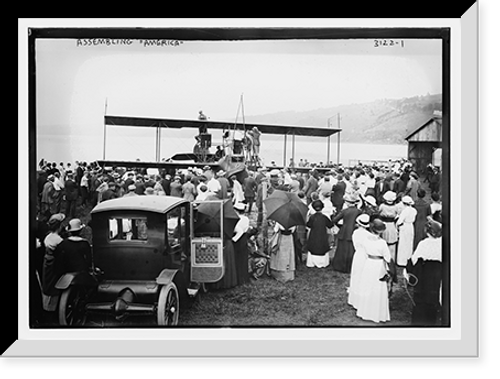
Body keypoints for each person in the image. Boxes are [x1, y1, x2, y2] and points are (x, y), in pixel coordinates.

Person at [355, 219, 392, 323]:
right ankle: (377, 312)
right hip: (379, 265)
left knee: (367, 286)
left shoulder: (365, 240)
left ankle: (365, 311)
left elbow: (364, 253)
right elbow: (388, 257)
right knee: (377, 288)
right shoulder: (382, 243)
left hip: (369, 264)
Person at [410, 220, 442, 326]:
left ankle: (420, 318)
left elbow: (414, 259)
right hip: (438, 270)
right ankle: (431, 317)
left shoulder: (424, 244)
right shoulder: (443, 242)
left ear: (427, 232)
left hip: (426, 270)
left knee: (422, 294)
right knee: (434, 292)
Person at [331, 194, 362, 273]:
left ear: (348, 203)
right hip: (354, 231)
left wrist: (334, 216)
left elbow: (334, 220)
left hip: (344, 231)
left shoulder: (345, 211)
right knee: (352, 249)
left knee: (342, 249)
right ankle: (351, 266)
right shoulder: (359, 211)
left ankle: (340, 266)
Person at [41, 213, 66, 312]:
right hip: (55, 265)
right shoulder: (59, 240)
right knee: (54, 283)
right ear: (59, 226)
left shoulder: (47, 238)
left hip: (47, 263)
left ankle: (46, 305)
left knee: (47, 283)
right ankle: (53, 308)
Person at [347, 214, 372, 309]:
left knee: (356, 275)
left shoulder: (355, 233)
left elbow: (355, 245)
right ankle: (362, 297)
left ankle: (355, 298)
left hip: (358, 254)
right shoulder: (369, 235)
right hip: (366, 255)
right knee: (364, 276)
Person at [306, 200, 334, 268]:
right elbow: (330, 225)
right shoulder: (324, 217)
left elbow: (308, 225)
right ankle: (322, 263)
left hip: (313, 235)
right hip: (322, 234)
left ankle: (312, 263)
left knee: (313, 246)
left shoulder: (312, 217)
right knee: (322, 246)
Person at [378, 191, 400, 262]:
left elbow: (378, 212)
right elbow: (398, 214)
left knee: (383, 241)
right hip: (392, 225)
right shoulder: (396, 207)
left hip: (384, 224)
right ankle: (391, 259)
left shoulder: (382, 206)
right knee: (392, 243)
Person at [396, 196, 417, 267]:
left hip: (404, 227)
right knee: (409, 243)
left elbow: (399, 221)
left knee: (402, 244)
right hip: (411, 226)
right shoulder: (414, 210)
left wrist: (398, 224)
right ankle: (408, 258)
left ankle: (402, 261)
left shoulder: (405, 211)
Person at [232, 202, 250, 285]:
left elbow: (239, 231)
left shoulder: (236, 219)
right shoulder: (246, 219)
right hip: (244, 239)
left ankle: (238, 279)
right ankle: (244, 278)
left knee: (237, 258)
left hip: (237, 238)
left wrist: (234, 239)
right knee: (243, 258)